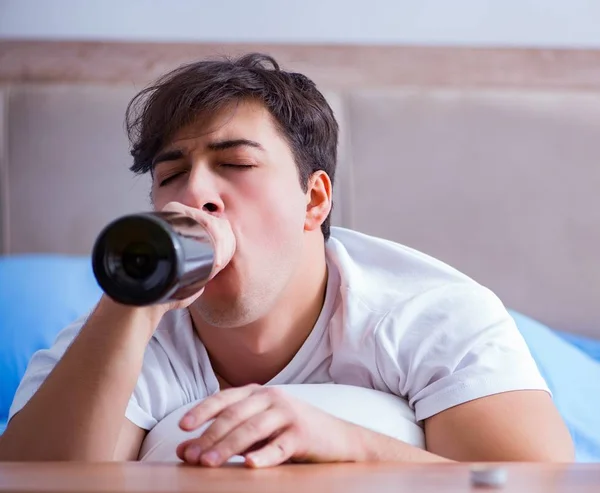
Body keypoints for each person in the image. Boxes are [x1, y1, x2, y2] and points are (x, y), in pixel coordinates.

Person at [0, 53, 574, 467]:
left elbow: (535, 484)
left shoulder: (430, 315)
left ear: (314, 199)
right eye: (171, 175)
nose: (195, 194)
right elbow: (34, 478)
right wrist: (131, 308)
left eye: (236, 164)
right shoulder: (124, 333)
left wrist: (351, 443)